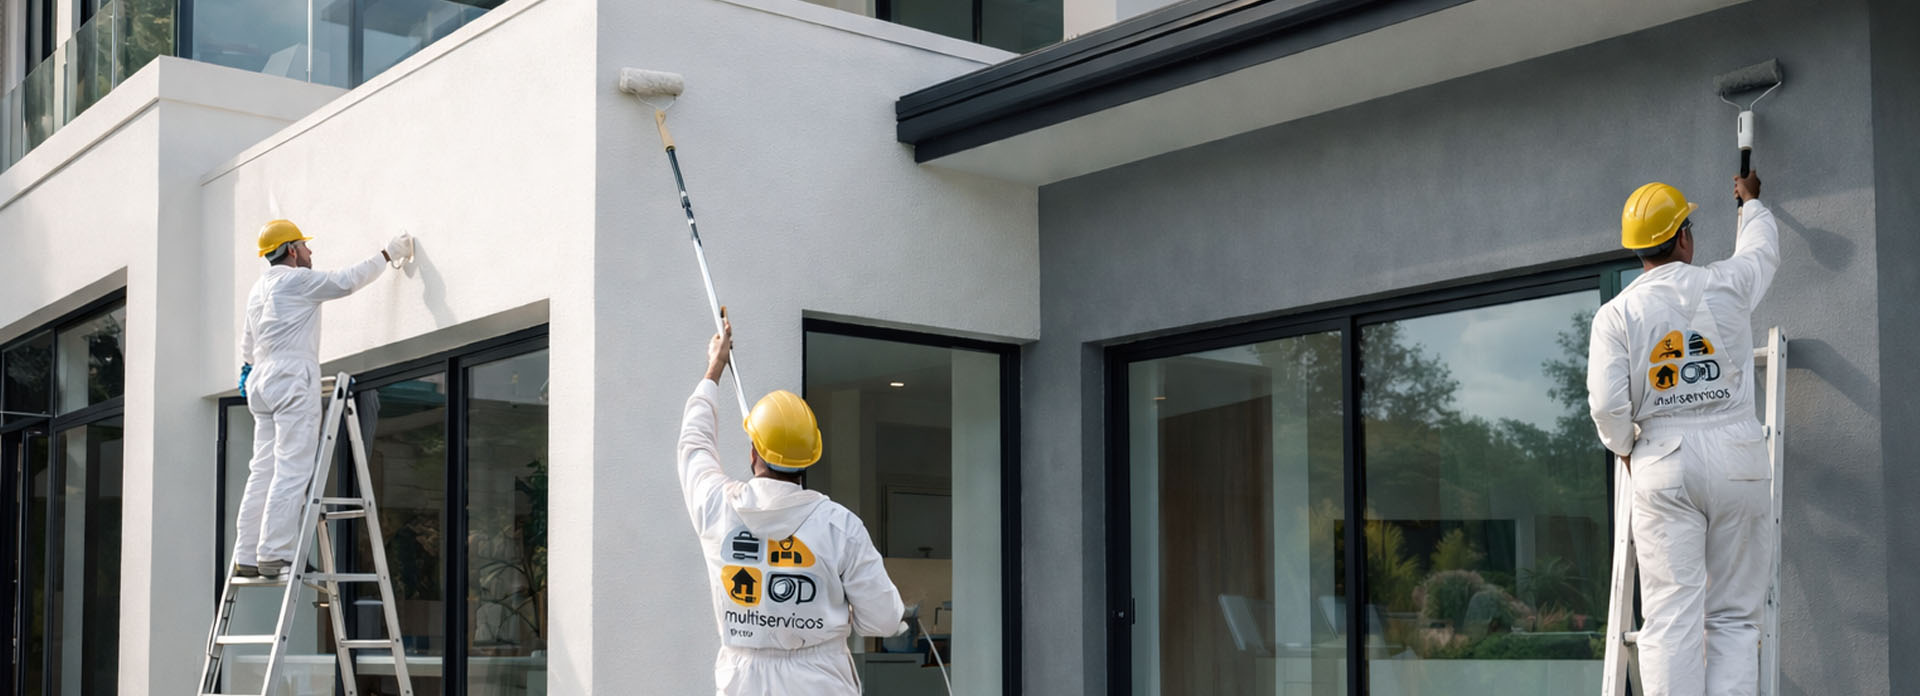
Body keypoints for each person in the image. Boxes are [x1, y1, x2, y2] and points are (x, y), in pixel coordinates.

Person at [1587, 172, 1778, 696]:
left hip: (1663, 460)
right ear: (1685, 238)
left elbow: (1606, 406)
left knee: (1671, 617)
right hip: (1737, 453)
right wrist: (1752, 206)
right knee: (1736, 616)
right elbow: (1761, 254)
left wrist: (1627, 448)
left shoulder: (1616, 315)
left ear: (1637, 250)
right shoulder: (1726, 284)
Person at [680, 317, 906, 694]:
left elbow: (694, 445)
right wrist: (833, 613)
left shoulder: (719, 506)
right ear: (809, 459)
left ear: (754, 452)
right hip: (819, 681)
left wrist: (714, 369)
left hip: (743, 683)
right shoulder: (839, 527)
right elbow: (884, 621)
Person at [235, 219, 413, 578]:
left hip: (261, 381)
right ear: (290, 250)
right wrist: (388, 253)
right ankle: (275, 554)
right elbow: (345, 281)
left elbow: (247, 345)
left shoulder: (258, 290)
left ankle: (247, 556)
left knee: (262, 471)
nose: (310, 251)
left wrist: (247, 370)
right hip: (290, 379)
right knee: (292, 468)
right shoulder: (297, 280)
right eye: (304, 245)